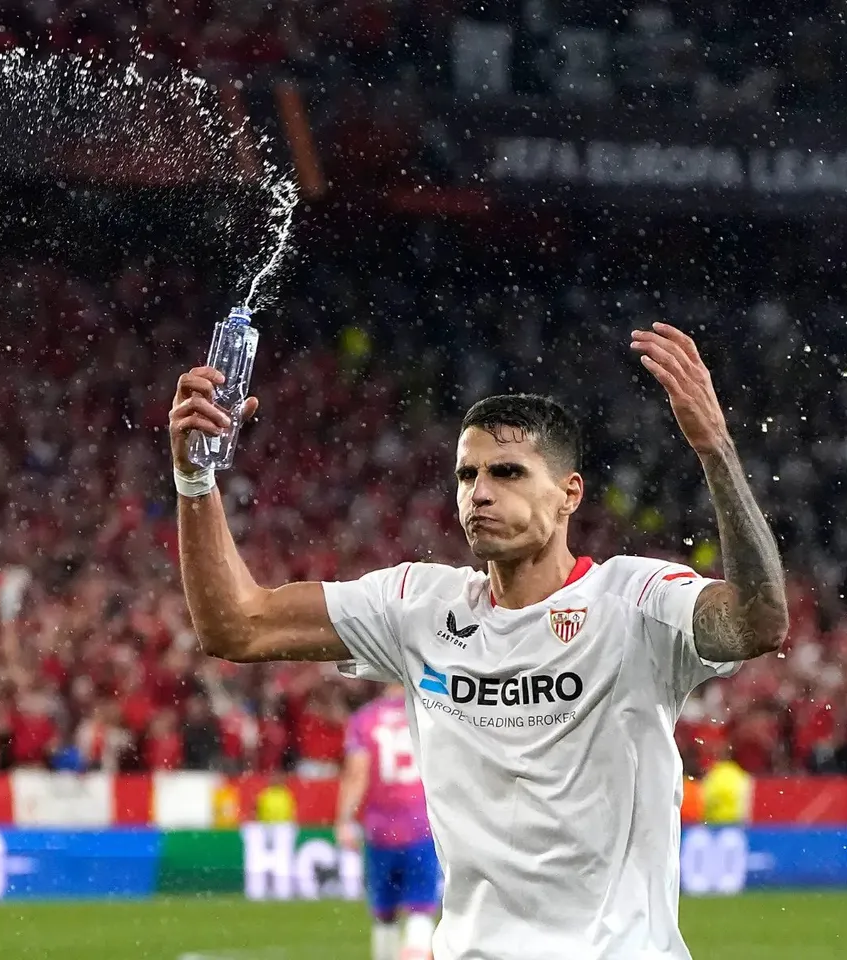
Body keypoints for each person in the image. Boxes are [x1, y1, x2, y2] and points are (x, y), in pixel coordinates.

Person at [168, 323, 789, 960]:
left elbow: (759, 621)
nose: (481, 493)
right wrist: (194, 480)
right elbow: (237, 626)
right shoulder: (419, 607)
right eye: (468, 475)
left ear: (569, 493)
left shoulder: (635, 602)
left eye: (508, 473)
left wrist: (715, 450)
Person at [337, 683, 438, 960]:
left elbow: (357, 773)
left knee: (384, 915)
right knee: (421, 908)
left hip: (380, 830)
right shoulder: (427, 710)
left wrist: (344, 821)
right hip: (421, 827)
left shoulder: (365, 718)